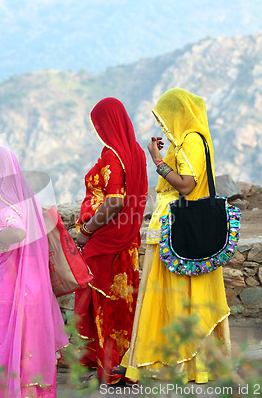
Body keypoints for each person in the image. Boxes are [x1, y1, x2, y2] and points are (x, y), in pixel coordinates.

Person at [120, 88, 231, 383]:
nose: (164, 126)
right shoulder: (185, 141)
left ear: (179, 114)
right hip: (175, 224)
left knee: (177, 291)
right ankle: (179, 357)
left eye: (166, 119)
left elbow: (185, 185)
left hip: (179, 226)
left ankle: (182, 361)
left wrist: (157, 160)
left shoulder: (191, 141)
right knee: (173, 292)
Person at [0, 145, 69, 398]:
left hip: (9, 288)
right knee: (27, 347)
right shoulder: (29, 198)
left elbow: (18, 232)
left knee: (3, 344)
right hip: (33, 284)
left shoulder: (5, 204)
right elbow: (45, 223)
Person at [74, 97, 148, 384]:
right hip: (126, 240)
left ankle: (109, 368)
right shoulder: (135, 152)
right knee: (122, 302)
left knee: (104, 303)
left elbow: (115, 201)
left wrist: (87, 230)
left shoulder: (112, 156)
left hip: (107, 241)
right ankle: (123, 363)